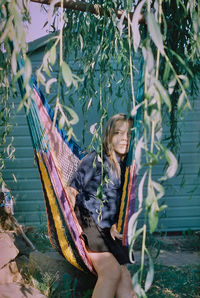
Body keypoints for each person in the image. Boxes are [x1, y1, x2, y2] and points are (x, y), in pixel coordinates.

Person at [67, 113, 137, 298]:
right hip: (90, 222)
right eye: (118, 133)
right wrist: (70, 224)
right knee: (111, 272)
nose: (125, 138)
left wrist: (116, 224)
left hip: (107, 228)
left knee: (124, 275)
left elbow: (117, 203)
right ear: (108, 136)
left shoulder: (124, 168)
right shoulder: (96, 159)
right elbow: (72, 189)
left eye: (129, 134)